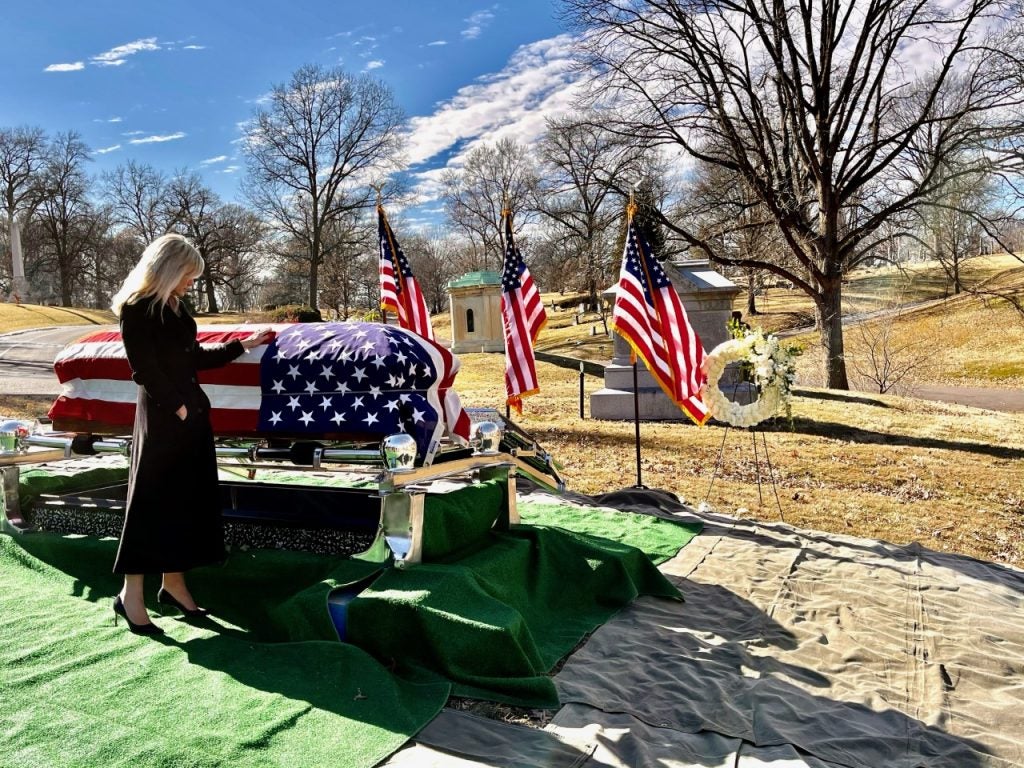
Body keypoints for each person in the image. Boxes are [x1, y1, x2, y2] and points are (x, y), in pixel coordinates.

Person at [109, 233, 272, 635]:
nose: (191, 283)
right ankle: (131, 595)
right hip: (163, 419)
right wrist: (178, 407)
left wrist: (242, 345)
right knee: (149, 504)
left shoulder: (176, 307)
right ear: (168, 269)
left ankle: (174, 585)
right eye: (188, 275)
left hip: (192, 416)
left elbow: (193, 357)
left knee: (184, 502)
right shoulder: (136, 309)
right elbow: (145, 370)